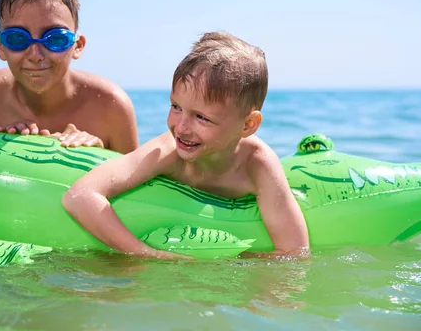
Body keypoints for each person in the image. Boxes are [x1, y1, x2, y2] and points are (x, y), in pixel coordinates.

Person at [62, 32, 309, 259]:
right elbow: (80, 196)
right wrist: (146, 253)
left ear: (248, 125)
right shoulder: (167, 150)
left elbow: (295, 252)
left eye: (202, 117)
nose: (180, 128)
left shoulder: (257, 165)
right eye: (176, 107)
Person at [0, 0, 139, 153]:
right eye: (17, 38)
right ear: (1, 46)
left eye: (55, 38)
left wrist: (97, 156)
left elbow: (135, 180)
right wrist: (3, 149)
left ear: (77, 45)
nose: (35, 55)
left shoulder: (111, 106)